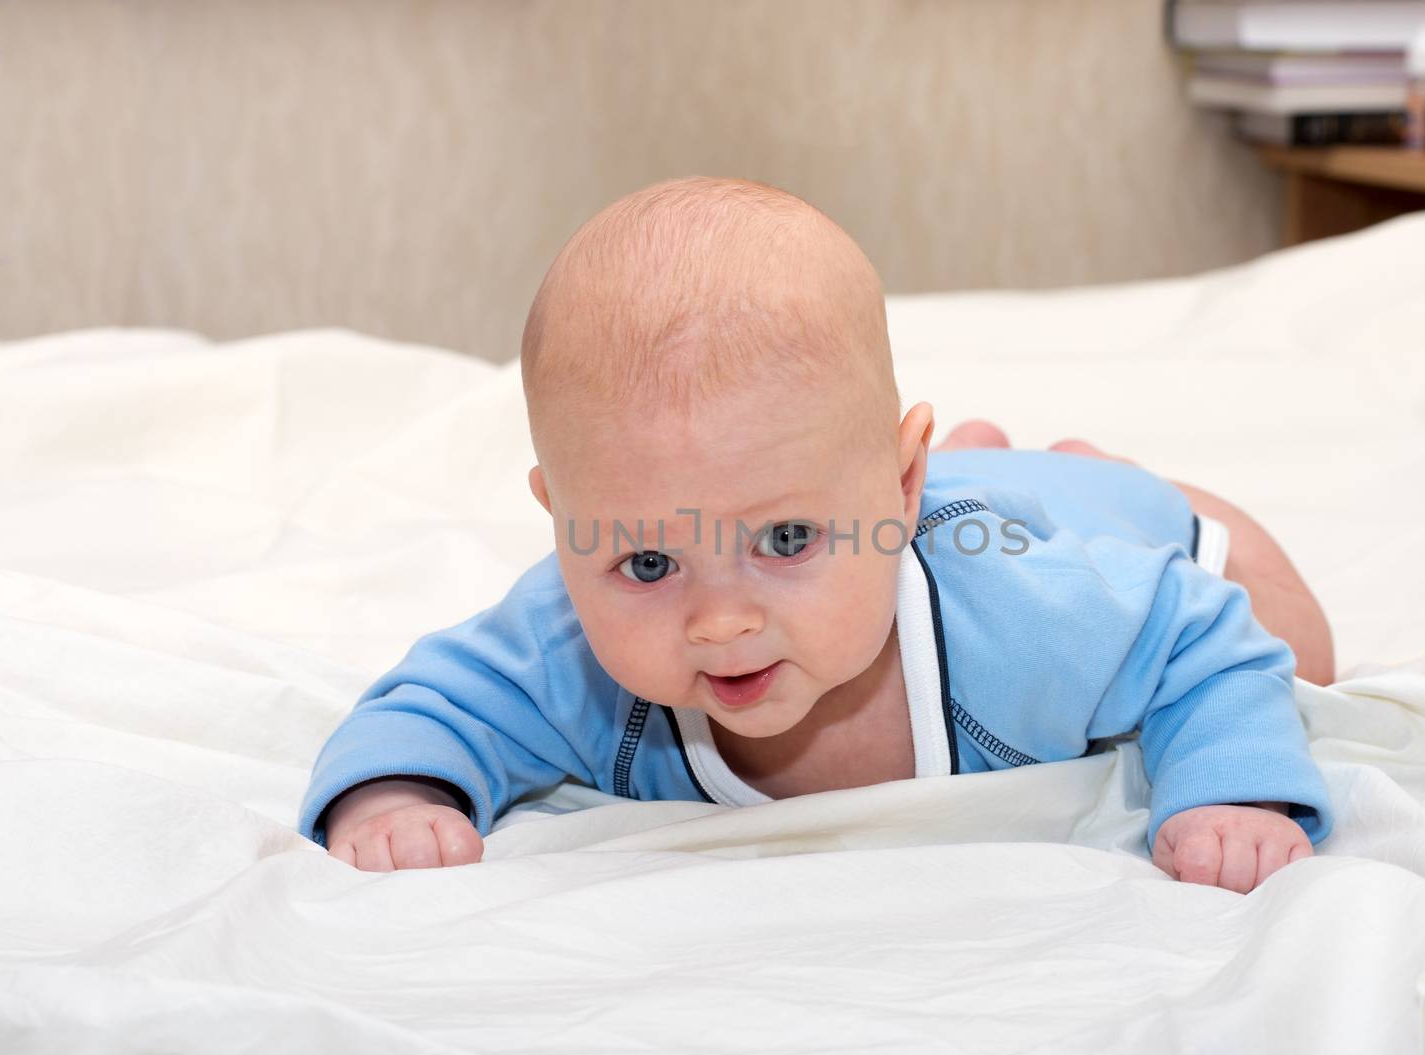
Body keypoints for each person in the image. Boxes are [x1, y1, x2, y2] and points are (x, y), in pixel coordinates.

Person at [298, 177, 1334, 894]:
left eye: (785, 538)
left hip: (1047, 522)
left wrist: (1229, 790)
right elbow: (434, 703)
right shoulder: (572, 649)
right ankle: (975, 453)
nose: (720, 619)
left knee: (1307, 666)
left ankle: (1076, 466)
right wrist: (397, 791)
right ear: (565, 526)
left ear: (897, 482)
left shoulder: (1036, 613)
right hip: (911, 490)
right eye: (648, 561)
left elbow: (1203, 639)